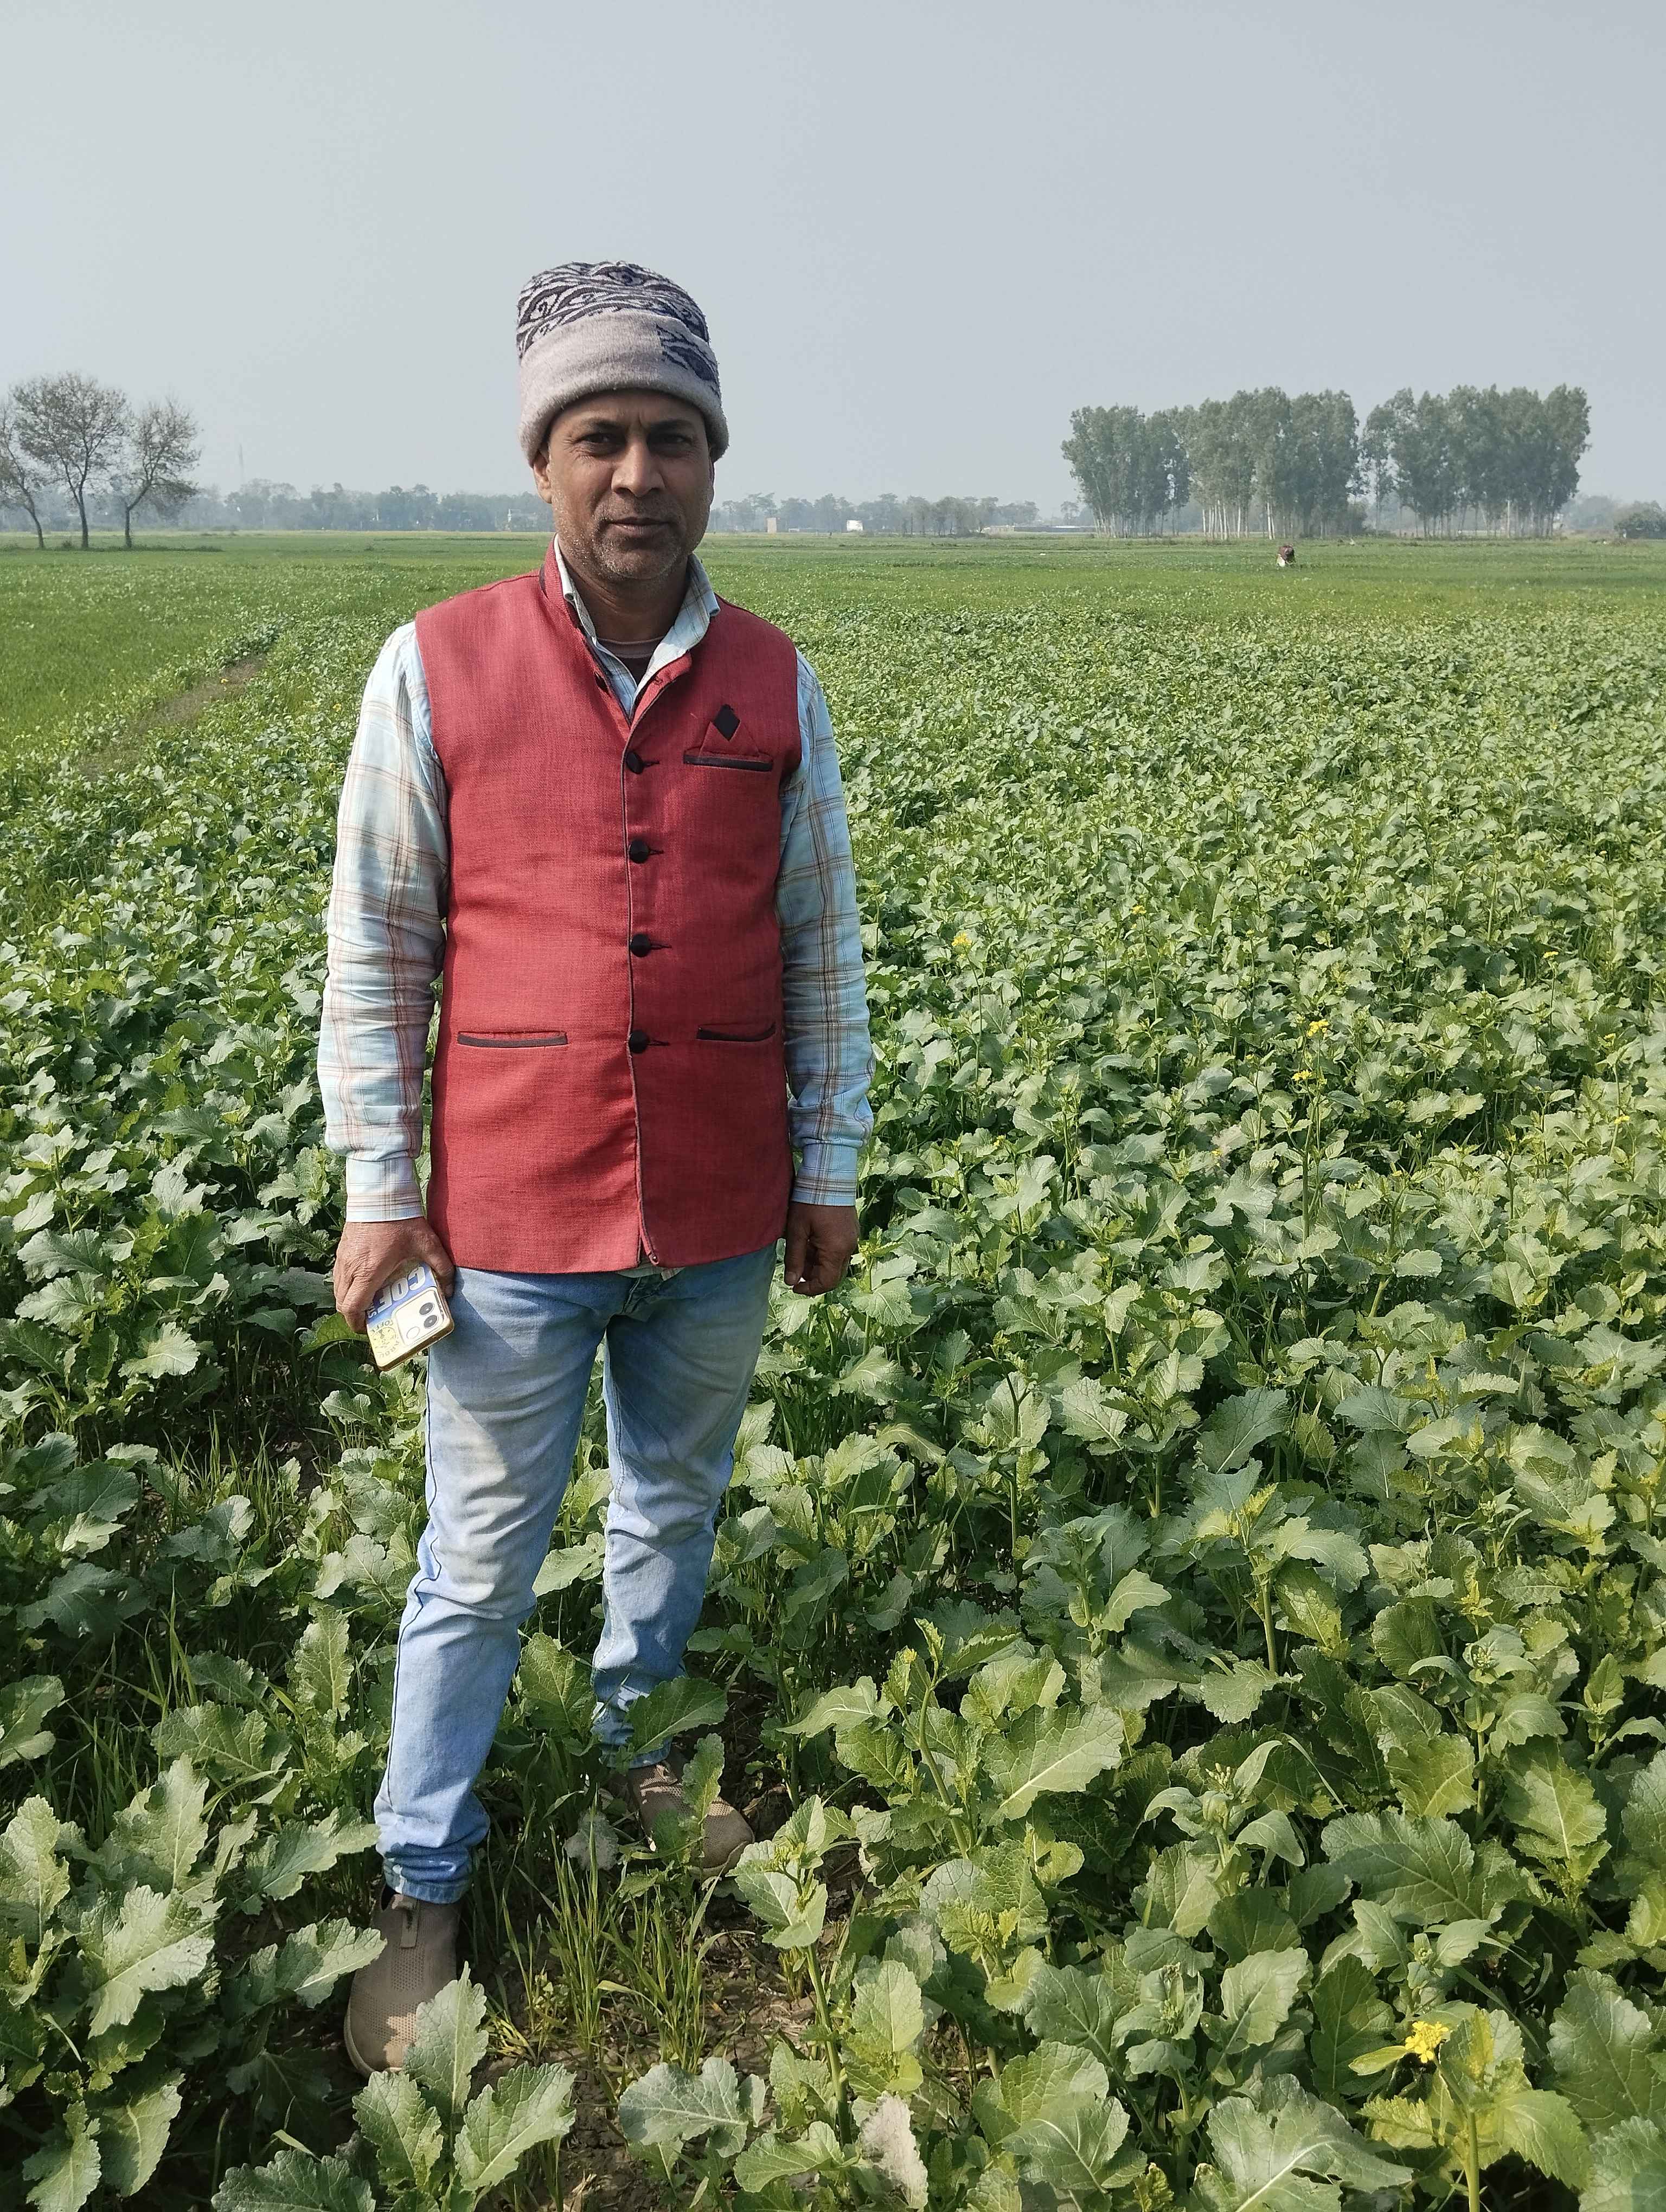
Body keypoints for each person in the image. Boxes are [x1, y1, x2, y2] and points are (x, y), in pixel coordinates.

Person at [317, 261, 874, 2074]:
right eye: (602, 437)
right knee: (478, 1556)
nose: (640, 474)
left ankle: (643, 1762)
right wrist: (382, 1187)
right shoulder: (438, 665)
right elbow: (380, 947)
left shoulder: (774, 681)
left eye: (672, 439)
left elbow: (818, 942)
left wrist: (827, 1160)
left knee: (673, 1506)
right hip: (510, 1210)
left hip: (715, 1202)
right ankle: (423, 1881)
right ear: (545, 462)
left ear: (713, 461)